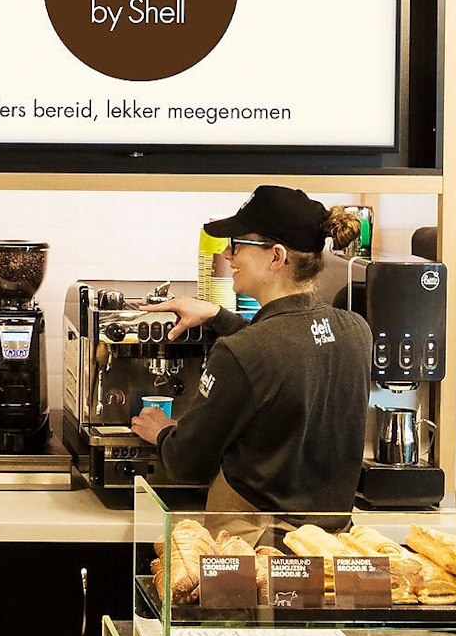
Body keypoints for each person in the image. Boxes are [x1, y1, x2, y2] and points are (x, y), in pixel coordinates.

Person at [130, 185, 372, 527]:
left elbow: (185, 462)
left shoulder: (242, 352)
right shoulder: (356, 331)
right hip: (331, 547)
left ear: (276, 257)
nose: (229, 257)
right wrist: (217, 315)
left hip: (259, 550)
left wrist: (164, 433)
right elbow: (286, 346)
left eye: (238, 244)